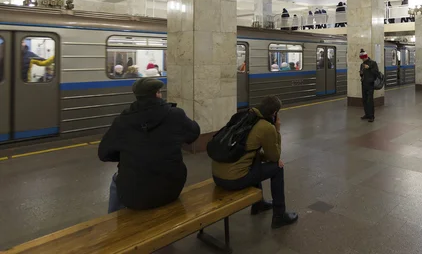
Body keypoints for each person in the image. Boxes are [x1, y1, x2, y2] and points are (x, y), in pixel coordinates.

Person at [98, 78, 200, 213]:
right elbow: (194, 133)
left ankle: (113, 222)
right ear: (158, 94)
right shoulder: (175, 115)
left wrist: (128, 153)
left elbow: (104, 153)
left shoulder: (122, 121)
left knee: (116, 180)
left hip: (135, 198)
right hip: (172, 189)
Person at [212, 96, 298, 229]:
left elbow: (247, 150)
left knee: (254, 160)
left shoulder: (243, 116)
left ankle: (258, 204)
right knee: (277, 168)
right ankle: (279, 216)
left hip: (217, 176)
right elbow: (275, 157)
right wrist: (277, 130)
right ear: (274, 113)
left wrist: (262, 157)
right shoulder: (266, 127)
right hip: (234, 180)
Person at [359, 49, 379, 122]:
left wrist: (369, 68)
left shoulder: (373, 63)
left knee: (370, 100)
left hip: (370, 84)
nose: (362, 60)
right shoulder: (362, 65)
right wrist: (361, 73)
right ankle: (367, 114)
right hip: (364, 83)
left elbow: (376, 73)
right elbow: (361, 74)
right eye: (361, 59)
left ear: (366, 57)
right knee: (364, 100)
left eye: (363, 58)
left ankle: (371, 116)